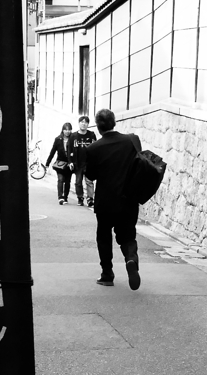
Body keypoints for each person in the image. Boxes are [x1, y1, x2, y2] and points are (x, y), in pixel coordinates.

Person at [84, 109, 142, 290]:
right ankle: (131, 258)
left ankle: (107, 274)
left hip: (105, 202)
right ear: (114, 122)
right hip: (128, 199)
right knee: (128, 234)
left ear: (98, 127)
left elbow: (91, 175)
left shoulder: (93, 149)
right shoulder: (132, 140)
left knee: (103, 236)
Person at [45, 122, 75, 205]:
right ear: (62, 130)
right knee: (61, 179)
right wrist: (47, 163)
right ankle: (60, 197)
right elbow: (53, 151)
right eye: (66, 129)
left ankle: (65, 197)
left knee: (68, 181)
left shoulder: (73, 139)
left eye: (69, 130)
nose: (67, 131)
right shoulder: (58, 139)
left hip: (69, 164)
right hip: (60, 164)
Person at [71, 115, 97, 207]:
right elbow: (69, 149)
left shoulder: (91, 135)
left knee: (89, 181)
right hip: (77, 163)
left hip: (89, 163)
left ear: (88, 124)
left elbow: (95, 148)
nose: (84, 124)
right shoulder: (73, 136)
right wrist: (70, 162)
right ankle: (80, 198)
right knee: (78, 181)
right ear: (79, 123)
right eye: (82, 122)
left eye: (86, 122)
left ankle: (90, 199)